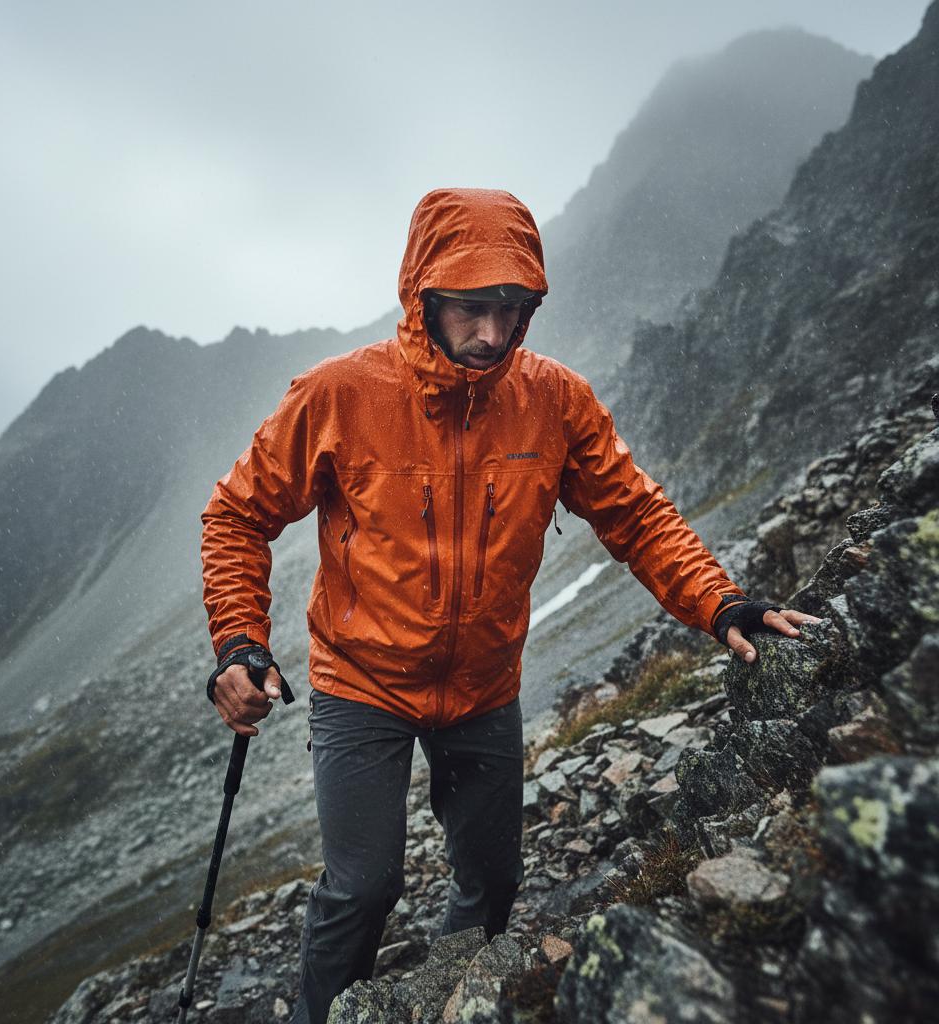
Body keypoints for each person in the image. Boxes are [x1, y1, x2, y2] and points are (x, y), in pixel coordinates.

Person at [199, 187, 819, 1024]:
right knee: (363, 886)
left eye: (512, 308)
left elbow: (634, 515)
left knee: (494, 883)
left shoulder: (554, 400)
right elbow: (237, 515)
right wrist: (240, 642)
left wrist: (721, 602)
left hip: (484, 687)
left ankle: (459, 1000)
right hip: (361, 683)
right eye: (472, 307)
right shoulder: (339, 394)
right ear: (423, 296)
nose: (493, 332)